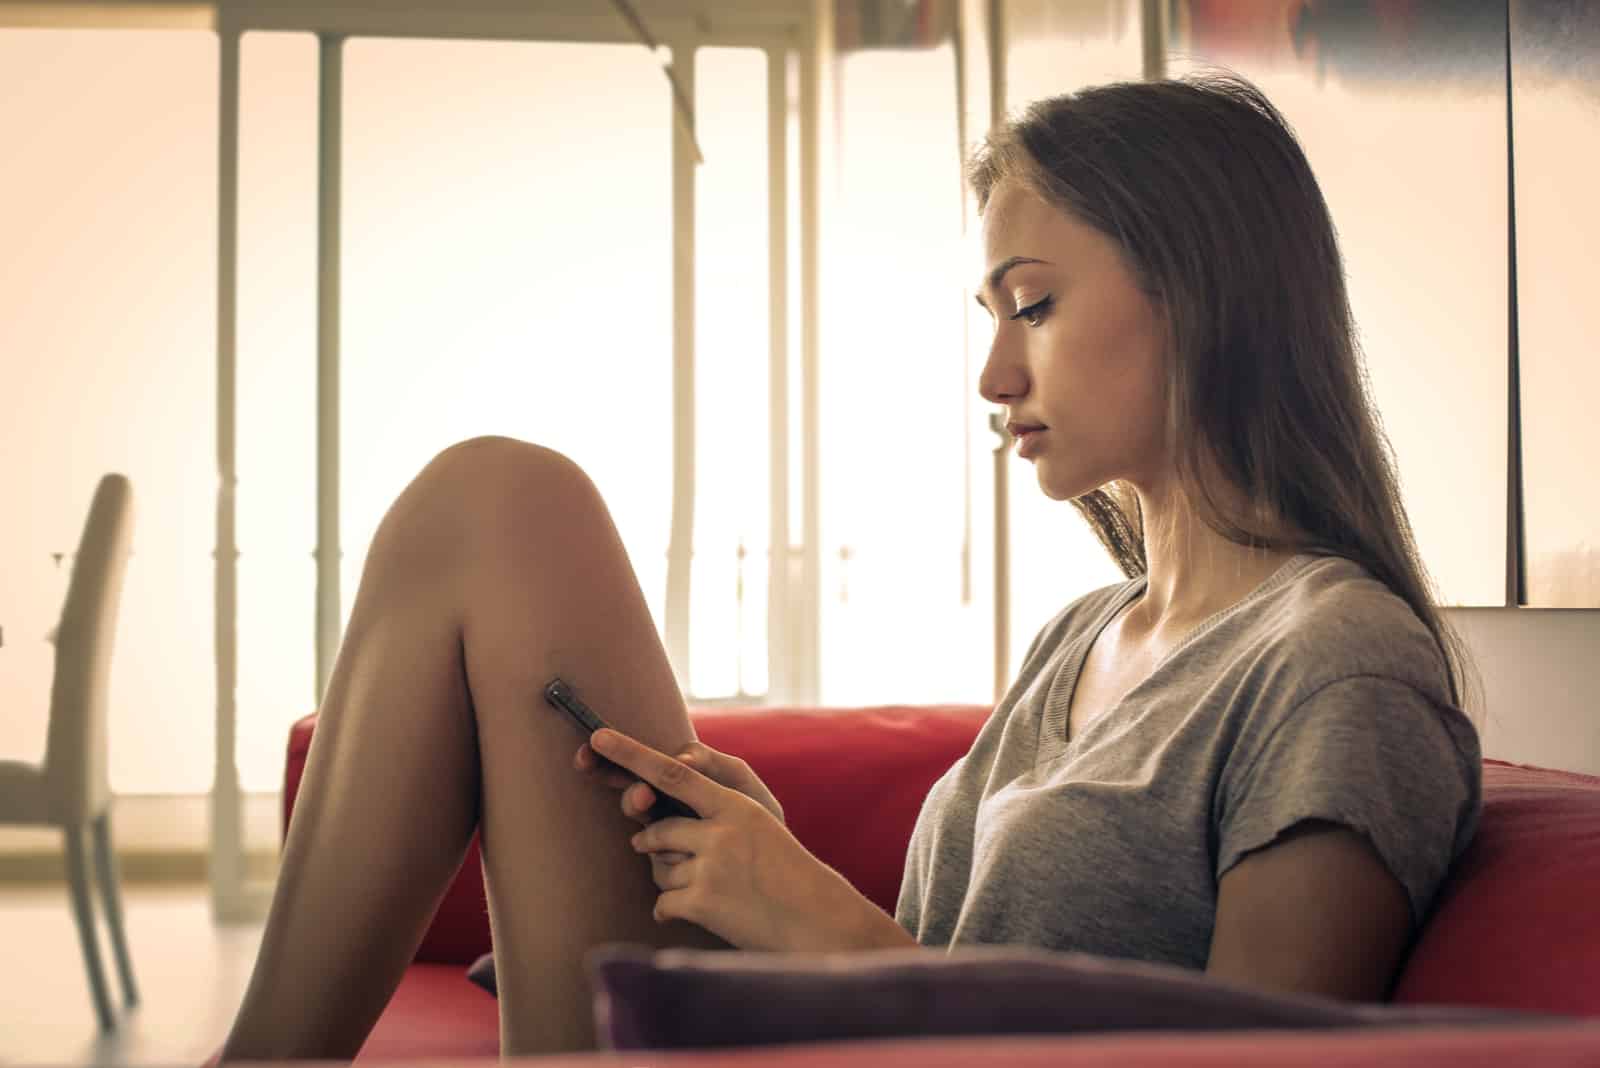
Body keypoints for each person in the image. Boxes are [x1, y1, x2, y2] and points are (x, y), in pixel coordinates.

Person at [216, 72, 1482, 1062]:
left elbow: (1252, 1066)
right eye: (989, 317)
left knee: (509, 504)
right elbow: (948, 963)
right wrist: (758, 885)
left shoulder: (1335, 664)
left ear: (1203, 295)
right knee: (485, 505)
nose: (993, 376)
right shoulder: (1086, 634)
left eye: (1031, 305)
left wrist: (818, 927)